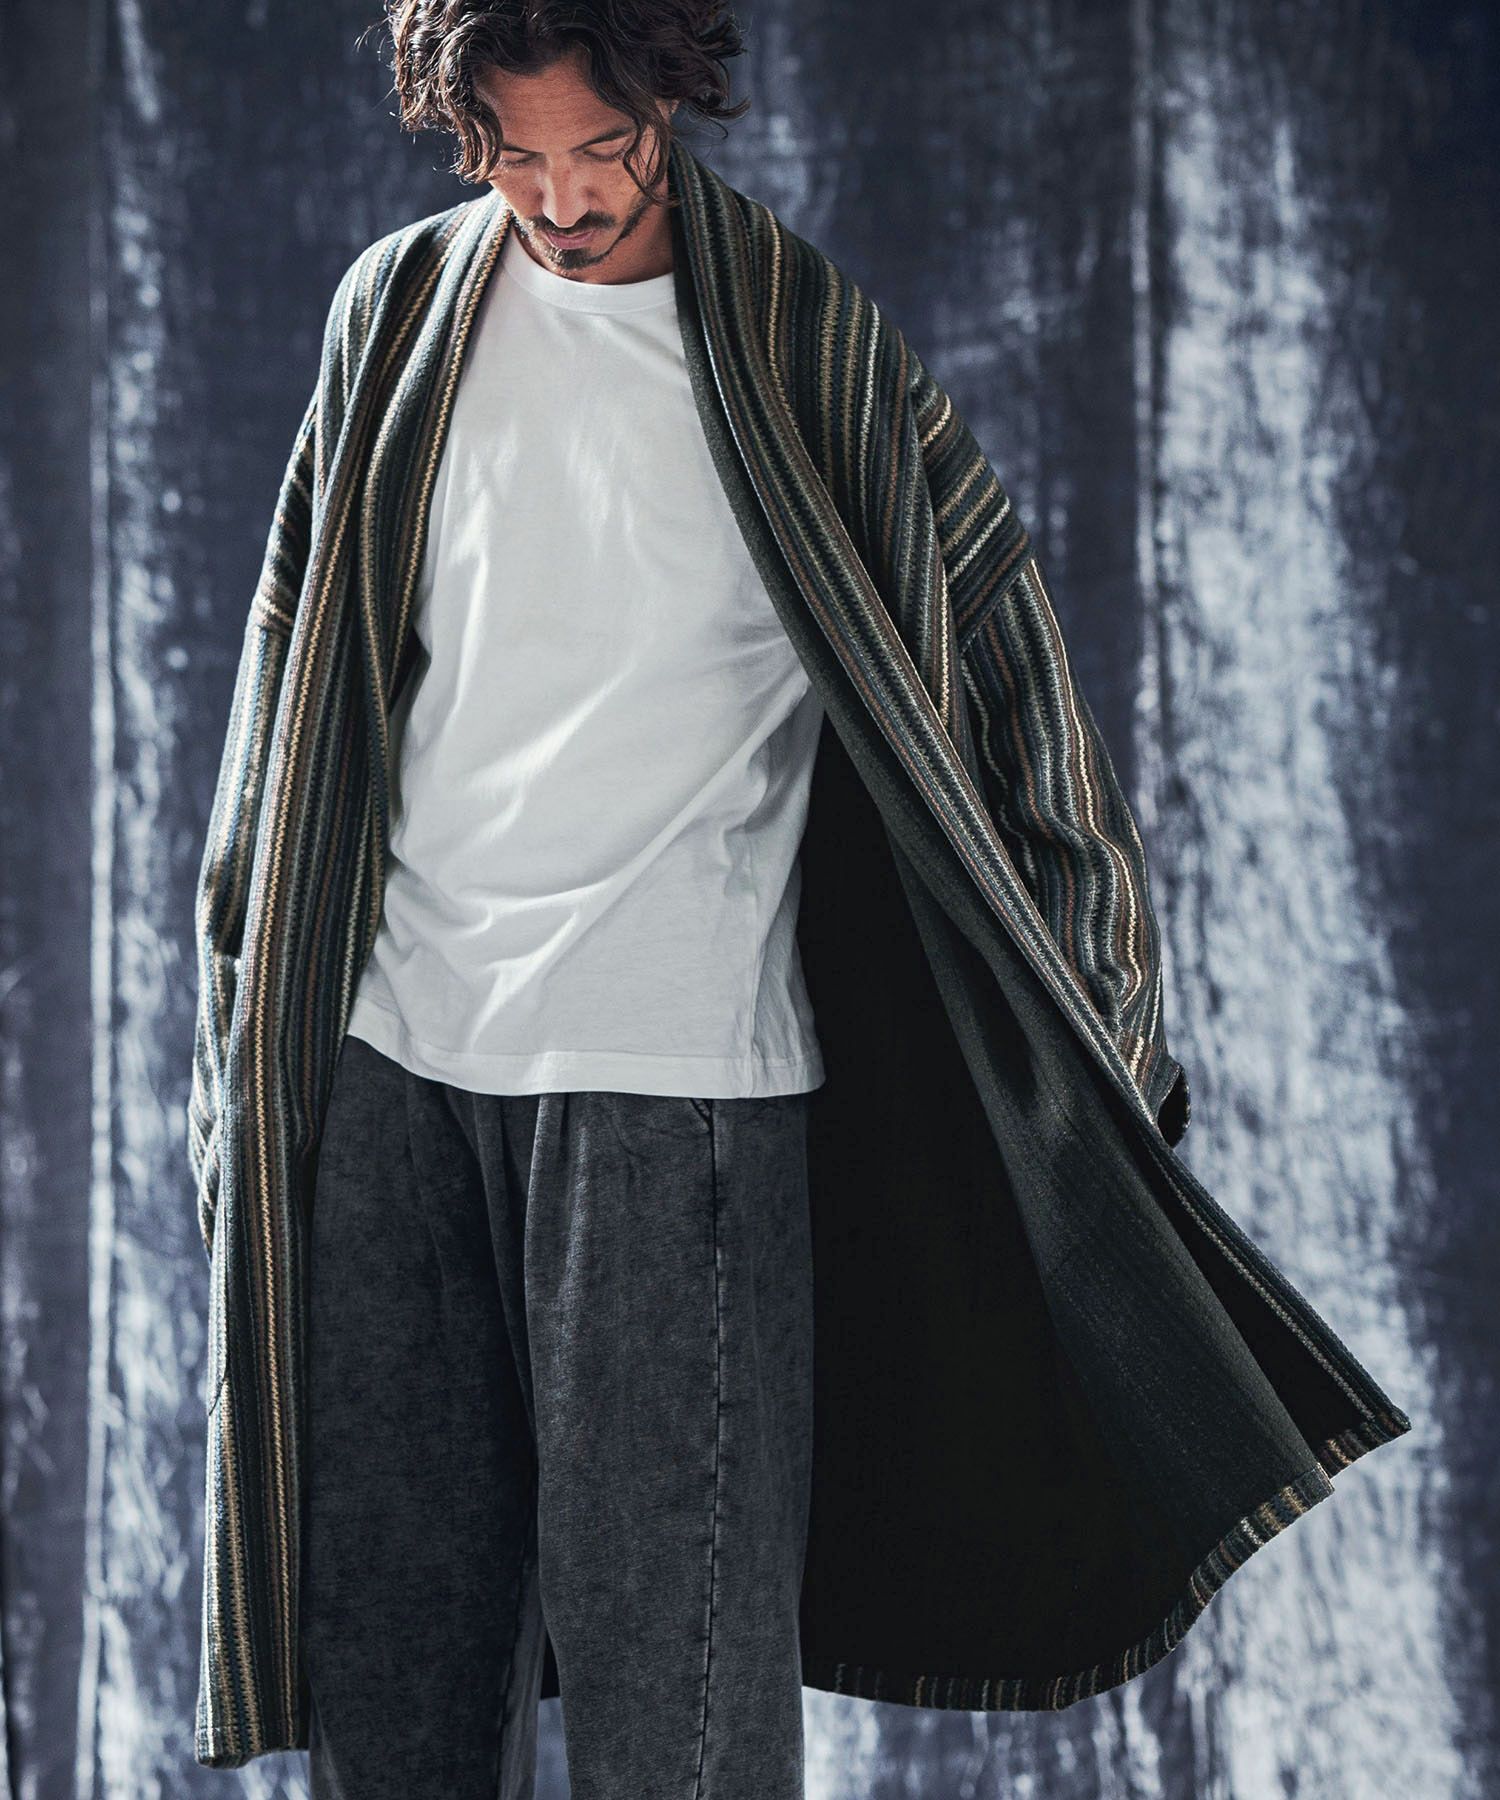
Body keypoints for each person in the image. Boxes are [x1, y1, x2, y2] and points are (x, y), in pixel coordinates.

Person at [186, 2, 1411, 1792]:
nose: (563, 199)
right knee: (395, 1688)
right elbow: (284, 691)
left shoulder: (803, 347)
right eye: (517, 157)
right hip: (387, 1063)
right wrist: (241, 1038)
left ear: (668, 96)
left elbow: (1010, 677)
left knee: (676, 1707)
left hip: (669, 1081)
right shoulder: (398, 315)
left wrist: (1103, 1032)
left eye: (601, 149)